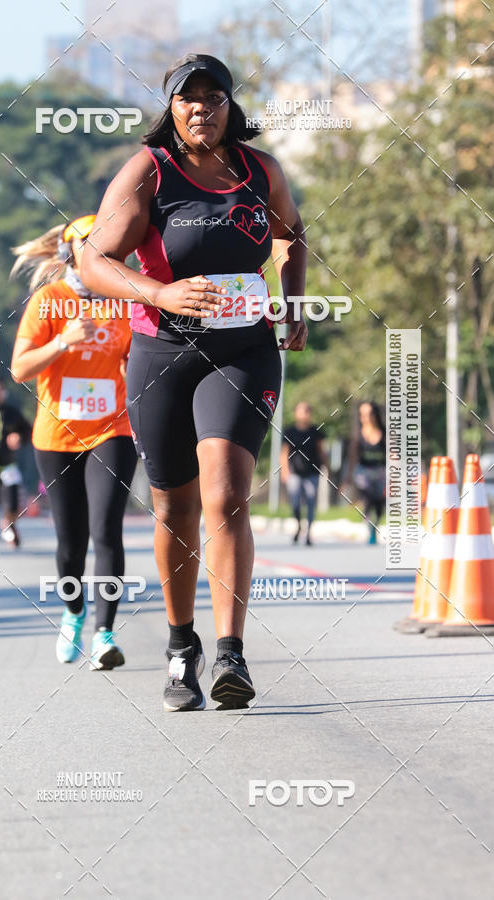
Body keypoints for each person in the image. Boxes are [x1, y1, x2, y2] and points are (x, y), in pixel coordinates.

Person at [80, 53, 307, 711]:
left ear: (231, 107)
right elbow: (95, 260)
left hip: (243, 353)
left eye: (214, 97)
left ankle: (231, 652)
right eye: (189, 99)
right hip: (161, 357)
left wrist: (292, 303)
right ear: (171, 108)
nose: (202, 108)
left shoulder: (261, 172)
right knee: (176, 508)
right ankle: (183, 646)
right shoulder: (149, 172)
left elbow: (293, 239)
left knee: (227, 494)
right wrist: (161, 292)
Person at [10, 214, 137, 668]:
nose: (103, 257)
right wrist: (62, 341)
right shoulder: (49, 301)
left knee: (107, 531)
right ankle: (73, 611)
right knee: (71, 542)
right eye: (92, 249)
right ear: (69, 254)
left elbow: (135, 364)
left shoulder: (122, 303)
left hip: (111, 431)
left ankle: (105, 633)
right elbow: (20, 369)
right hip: (56, 436)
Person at [280, 402, 328, 545]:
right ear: (296, 413)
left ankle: (308, 533)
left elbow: (321, 451)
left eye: (307, 410)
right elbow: (284, 453)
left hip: (312, 471)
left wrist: (326, 468)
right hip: (295, 472)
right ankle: (298, 525)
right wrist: (285, 470)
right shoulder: (289, 431)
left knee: (311, 501)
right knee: (295, 502)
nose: (304, 413)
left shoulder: (315, 431)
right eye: (301, 411)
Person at [342, 401, 386, 544]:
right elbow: (353, 458)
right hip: (363, 473)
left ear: (375, 414)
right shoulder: (358, 436)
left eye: (369, 414)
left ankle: (374, 526)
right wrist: (348, 479)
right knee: (368, 498)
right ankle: (368, 523)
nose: (366, 417)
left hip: (380, 473)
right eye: (363, 415)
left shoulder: (384, 434)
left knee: (379, 504)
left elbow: (392, 455)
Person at [0, 381, 31, 548]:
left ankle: (9, 524)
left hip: (7, 466)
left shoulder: (12, 413)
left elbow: (28, 431)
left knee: (13, 504)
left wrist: (19, 437)